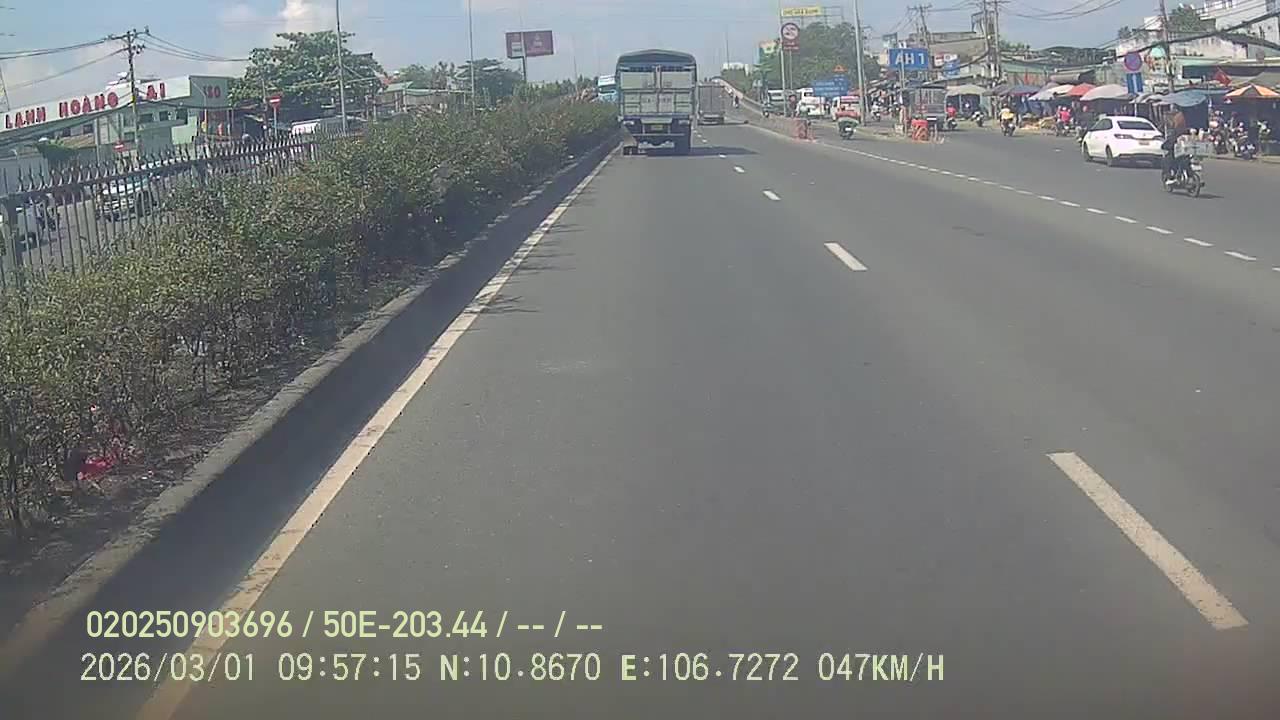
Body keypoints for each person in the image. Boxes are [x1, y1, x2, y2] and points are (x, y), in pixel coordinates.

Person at [1162, 113, 1192, 185]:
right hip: (1187, 152)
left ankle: (1170, 177)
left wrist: (1164, 146)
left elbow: (1171, 142)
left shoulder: (1177, 131)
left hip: (1178, 153)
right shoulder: (1188, 131)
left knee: (1167, 160)